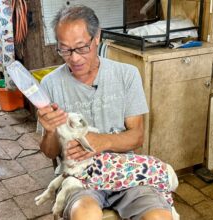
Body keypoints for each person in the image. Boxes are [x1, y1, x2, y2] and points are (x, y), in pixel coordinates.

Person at [37, 5, 174, 220]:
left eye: (82, 47)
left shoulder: (126, 75)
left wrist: (100, 142)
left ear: (97, 37)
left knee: (159, 217)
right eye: (65, 49)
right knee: (84, 213)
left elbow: (137, 136)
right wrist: (49, 132)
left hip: (125, 172)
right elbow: (50, 152)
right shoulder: (50, 84)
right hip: (81, 177)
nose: (74, 58)